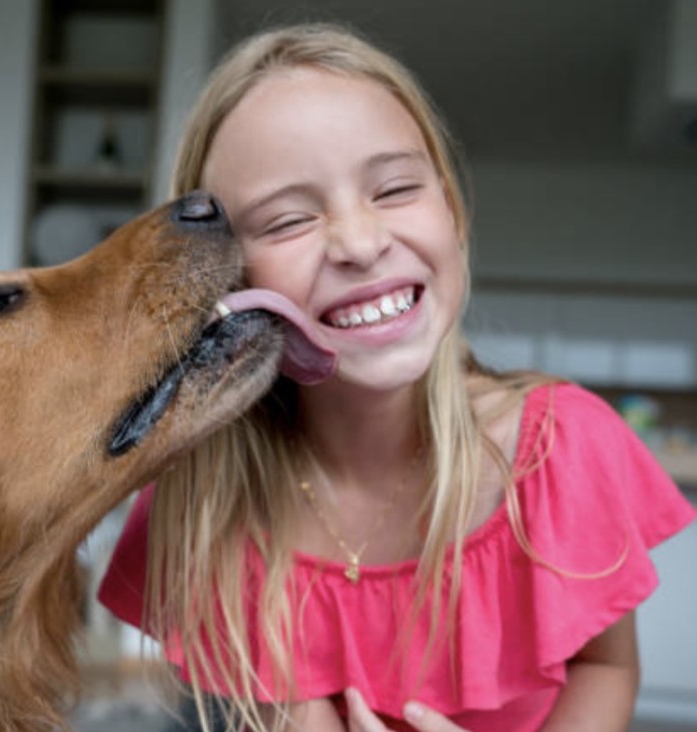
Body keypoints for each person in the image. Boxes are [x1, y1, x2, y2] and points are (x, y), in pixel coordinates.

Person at [98, 23, 696, 732]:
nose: (359, 242)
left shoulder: (560, 450)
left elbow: (606, 666)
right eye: (289, 220)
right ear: (228, 280)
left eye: (395, 188)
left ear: (455, 213)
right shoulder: (210, 500)